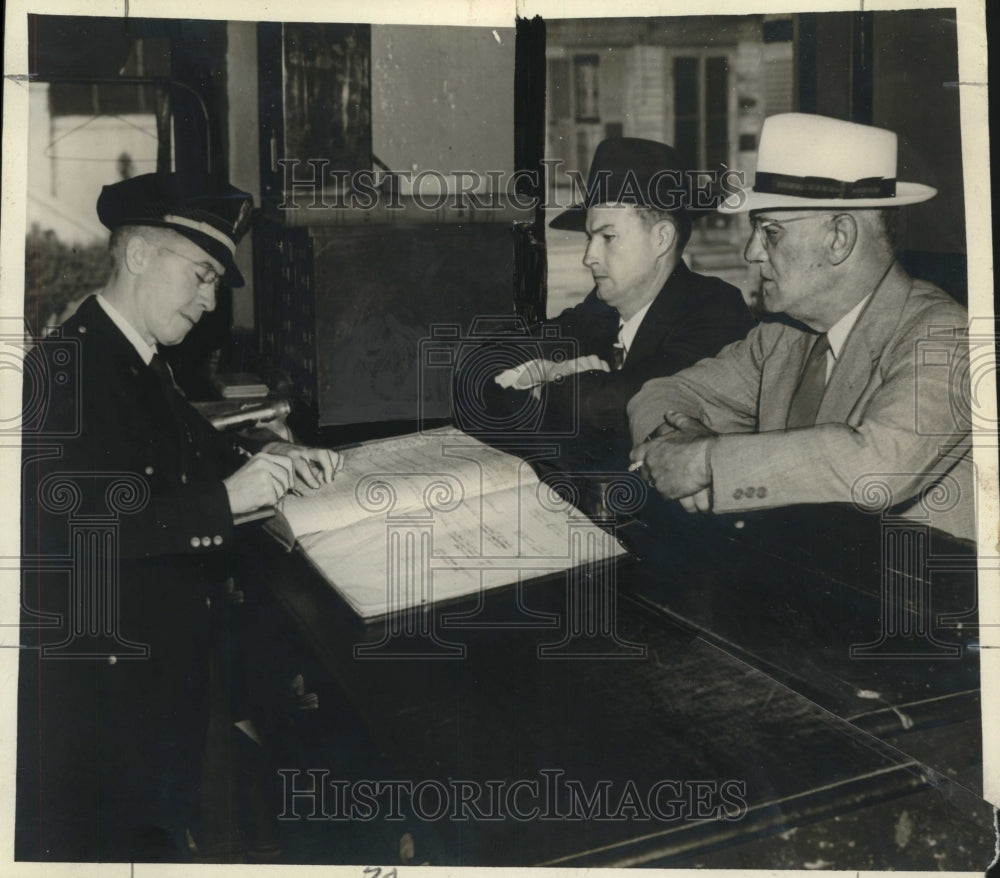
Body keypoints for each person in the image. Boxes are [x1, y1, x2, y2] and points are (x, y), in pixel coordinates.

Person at [17, 172, 340, 861]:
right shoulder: (66, 369)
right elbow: (85, 527)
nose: (208, 299)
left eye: (214, 283)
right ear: (137, 255)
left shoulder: (133, 356)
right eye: (199, 274)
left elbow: (193, 446)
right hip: (109, 705)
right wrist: (229, 499)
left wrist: (275, 455)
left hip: (159, 674)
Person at [628, 113, 974, 544]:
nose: (752, 252)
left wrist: (706, 462)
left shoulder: (949, 338)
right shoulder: (785, 336)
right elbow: (659, 393)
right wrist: (677, 447)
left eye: (770, 232)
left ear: (839, 238)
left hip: (919, 603)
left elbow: (879, 468)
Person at [473, 137, 752, 468]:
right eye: (590, 239)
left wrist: (545, 376)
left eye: (608, 238)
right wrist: (548, 374)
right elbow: (488, 361)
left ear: (661, 238)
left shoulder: (714, 308)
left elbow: (619, 402)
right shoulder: (602, 309)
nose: (588, 257)